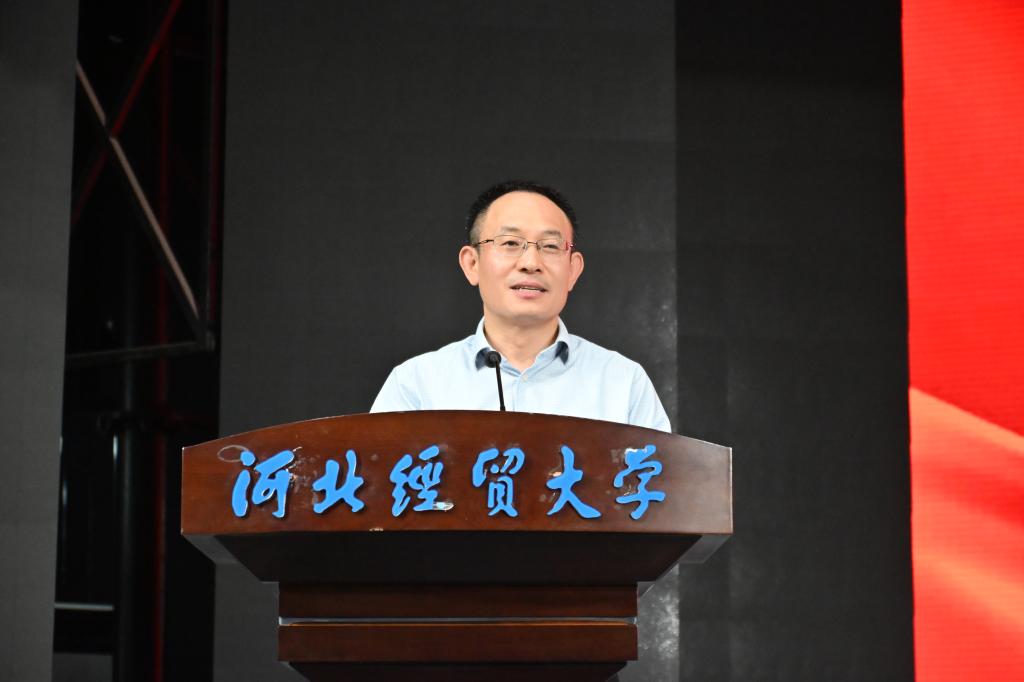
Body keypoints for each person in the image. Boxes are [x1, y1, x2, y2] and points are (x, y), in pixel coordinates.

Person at [370, 180, 671, 432]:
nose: (530, 263)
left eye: (550, 246)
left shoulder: (623, 383)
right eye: (511, 243)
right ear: (472, 264)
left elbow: (660, 482)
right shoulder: (417, 385)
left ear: (573, 270)